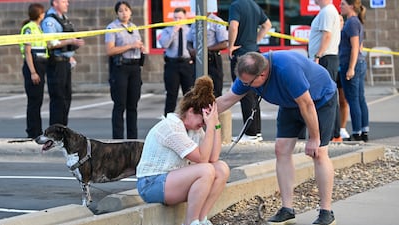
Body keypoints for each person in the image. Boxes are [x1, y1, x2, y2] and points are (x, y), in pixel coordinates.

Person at [216, 51, 337, 225]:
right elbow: (228, 100)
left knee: (318, 152)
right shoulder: (249, 73)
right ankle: (287, 209)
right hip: (290, 103)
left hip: (319, 101)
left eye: (248, 83)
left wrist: (314, 138)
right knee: (281, 149)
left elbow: (307, 104)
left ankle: (326, 212)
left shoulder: (287, 69)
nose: (245, 86)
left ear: (262, 74)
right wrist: (200, 116)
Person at [136, 75, 230, 225]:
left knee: (221, 168)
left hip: (171, 181)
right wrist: (211, 126)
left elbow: (213, 158)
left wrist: (216, 124)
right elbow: (203, 160)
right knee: (205, 170)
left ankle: (201, 219)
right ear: (191, 111)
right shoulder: (171, 127)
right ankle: (191, 222)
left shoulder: (194, 130)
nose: (204, 124)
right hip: (151, 183)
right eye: (204, 119)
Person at [228, 0, 272, 142]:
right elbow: (267, 25)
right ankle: (256, 131)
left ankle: (250, 133)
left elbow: (234, 26)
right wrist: (255, 41)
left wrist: (231, 45)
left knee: (244, 93)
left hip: (241, 54)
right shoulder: (254, 5)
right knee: (254, 94)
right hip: (254, 53)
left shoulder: (236, 6)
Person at [105, 1, 145, 139]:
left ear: (131, 12)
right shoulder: (112, 27)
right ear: (117, 13)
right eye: (121, 11)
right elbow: (110, 50)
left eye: (126, 10)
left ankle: (132, 139)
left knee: (133, 105)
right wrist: (130, 46)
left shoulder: (134, 27)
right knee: (120, 104)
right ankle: (118, 139)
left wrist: (141, 48)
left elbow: (137, 44)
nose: (124, 13)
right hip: (120, 67)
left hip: (134, 67)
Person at [41, 0, 85, 126]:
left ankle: (63, 131)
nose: (67, 4)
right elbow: (51, 43)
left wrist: (70, 55)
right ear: (55, 3)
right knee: (58, 99)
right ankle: (55, 133)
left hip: (65, 62)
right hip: (56, 64)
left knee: (66, 99)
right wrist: (71, 41)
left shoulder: (63, 18)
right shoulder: (50, 21)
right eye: (64, 1)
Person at [309, 0, 342, 142]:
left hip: (325, 58)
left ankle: (332, 134)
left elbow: (327, 35)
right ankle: (333, 133)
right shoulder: (328, 11)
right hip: (326, 57)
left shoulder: (328, 11)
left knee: (327, 96)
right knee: (329, 95)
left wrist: (318, 55)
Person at [339, 0, 369, 142]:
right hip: (360, 63)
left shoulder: (351, 23)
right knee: (360, 98)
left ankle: (357, 132)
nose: (340, 6)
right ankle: (364, 130)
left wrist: (351, 68)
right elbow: (360, 46)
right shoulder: (356, 22)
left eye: (343, 4)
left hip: (352, 64)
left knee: (353, 99)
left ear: (351, 6)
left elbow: (355, 47)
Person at [187, 2, 228, 97]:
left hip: (212, 59)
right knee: (196, 91)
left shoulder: (217, 22)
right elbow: (188, 41)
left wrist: (205, 49)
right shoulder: (195, 22)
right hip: (197, 60)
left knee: (215, 91)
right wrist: (191, 50)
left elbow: (224, 44)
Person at [159, 7, 195, 116]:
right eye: (175, 18)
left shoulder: (190, 30)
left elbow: (195, 47)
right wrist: (173, 32)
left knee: (189, 94)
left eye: (180, 17)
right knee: (171, 94)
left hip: (187, 63)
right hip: (172, 64)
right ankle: (168, 119)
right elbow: (164, 44)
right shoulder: (167, 30)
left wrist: (193, 59)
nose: (177, 20)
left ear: (185, 17)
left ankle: (189, 118)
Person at [19, 3, 47, 139]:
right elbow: (27, 51)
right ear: (39, 14)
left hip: (40, 64)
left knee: (38, 101)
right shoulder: (29, 28)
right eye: (43, 12)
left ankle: (37, 130)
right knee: (34, 101)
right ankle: (33, 131)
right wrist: (33, 72)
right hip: (33, 65)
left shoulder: (37, 27)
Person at [337, 14, 350, 140]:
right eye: (338, 20)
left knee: (343, 100)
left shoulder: (346, 35)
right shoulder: (331, 34)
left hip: (342, 69)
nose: (339, 22)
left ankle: (342, 127)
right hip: (332, 69)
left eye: (341, 20)